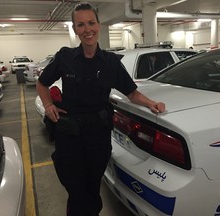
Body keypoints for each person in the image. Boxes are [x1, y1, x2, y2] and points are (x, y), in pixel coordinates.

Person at [36, 2, 166, 216]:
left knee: (94, 189)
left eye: (91, 23)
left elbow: (131, 93)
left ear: (98, 24)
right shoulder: (65, 57)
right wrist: (48, 105)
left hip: (98, 136)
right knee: (76, 191)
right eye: (81, 25)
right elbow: (42, 83)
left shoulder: (110, 62)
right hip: (70, 137)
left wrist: (151, 103)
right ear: (75, 28)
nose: (87, 29)